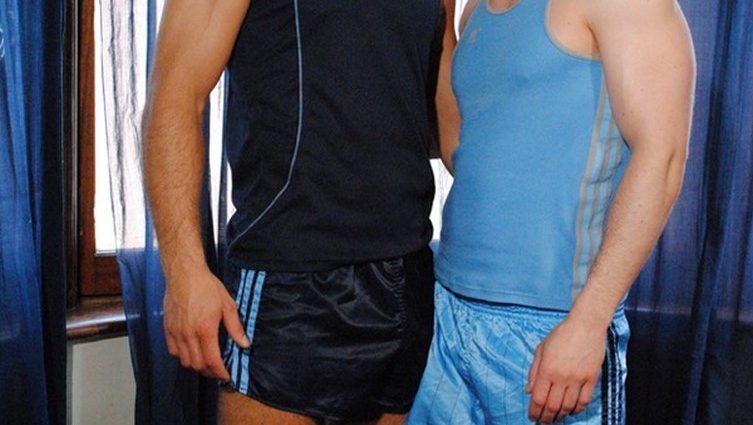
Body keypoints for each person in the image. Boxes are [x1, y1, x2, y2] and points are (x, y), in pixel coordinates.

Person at [142, 0, 454, 423]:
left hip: (407, 272)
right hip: (291, 281)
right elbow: (176, 96)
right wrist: (183, 273)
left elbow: (449, 121)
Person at [408, 0, 696, 424]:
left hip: (551, 321)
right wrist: (445, 29)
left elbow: (663, 157)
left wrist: (588, 323)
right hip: (450, 306)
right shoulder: (475, 11)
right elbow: (466, 154)